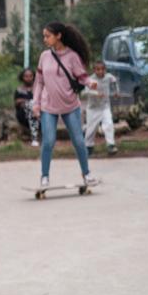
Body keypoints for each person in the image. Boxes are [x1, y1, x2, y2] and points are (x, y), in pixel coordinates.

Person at [34, 21, 97, 189]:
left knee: (78, 141)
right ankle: (45, 177)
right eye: (44, 36)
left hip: (70, 105)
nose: (45, 39)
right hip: (49, 106)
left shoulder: (72, 57)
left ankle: (87, 174)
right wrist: (36, 103)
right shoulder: (44, 56)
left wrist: (90, 82)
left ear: (58, 36)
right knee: (48, 141)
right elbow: (39, 82)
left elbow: (82, 76)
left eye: (48, 36)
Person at [83, 60, 119, 156]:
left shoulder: (108, 77)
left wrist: (116, 91)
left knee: (108, 124)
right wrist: (96, 94)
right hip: (93, 108)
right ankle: (88, 147)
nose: (100, 72)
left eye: (102, 69)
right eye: (98, 70)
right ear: (94, 70)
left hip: (105, 107)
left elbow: (114, 80)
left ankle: (111, 145)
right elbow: (85, 92)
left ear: (105, 70)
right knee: (91, 128)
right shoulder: (91, 79)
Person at [15, 68, 39, 146]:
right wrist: (28, 102)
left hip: (38, 114)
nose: (28, 78)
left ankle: (35, 137)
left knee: (33, 109)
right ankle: (34, 137)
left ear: (33, 77)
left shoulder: (37, 89)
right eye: (26, 76)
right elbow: (17, 102)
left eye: (30, 76)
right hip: (23, 115)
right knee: (31, 106)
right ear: (22, 77)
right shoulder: (19, 90)